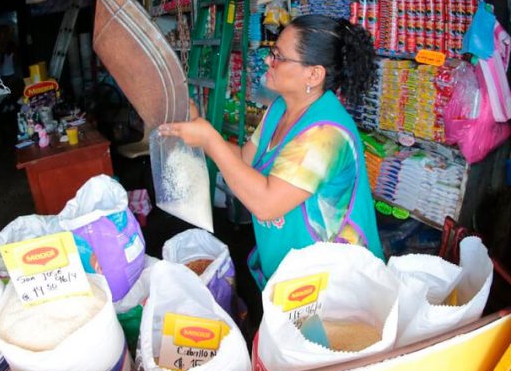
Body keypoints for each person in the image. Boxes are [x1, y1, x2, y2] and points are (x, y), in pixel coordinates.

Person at [160, 15, 384, 289]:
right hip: (293, 273)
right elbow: (244, 161)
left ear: (313, 74)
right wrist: (197, 129)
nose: (268, 60)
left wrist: (209, 140)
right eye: (271, 52)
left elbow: (266, 203)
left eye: (279, 56)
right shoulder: (280, 108)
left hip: (334, 287)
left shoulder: (326, 134)